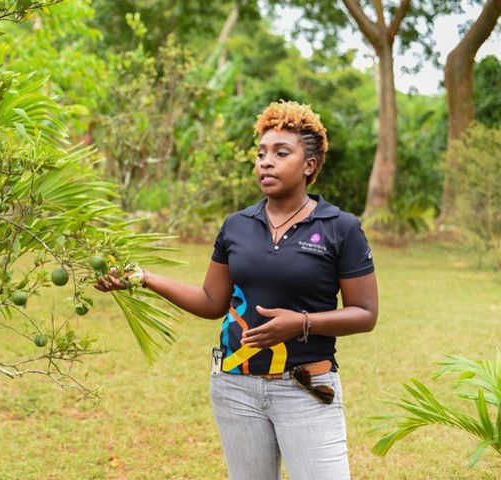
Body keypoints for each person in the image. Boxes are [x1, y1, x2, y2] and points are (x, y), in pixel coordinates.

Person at [93, 100, 378, 480]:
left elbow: (365, 313)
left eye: (281, 153)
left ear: (310, 165)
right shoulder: (237, 225)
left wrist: (301, 323)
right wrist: (144, 277)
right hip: (234, 386)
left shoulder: (340, 227)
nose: (266, 162)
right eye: (261, 154)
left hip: (306, 386)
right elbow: (212, 301)